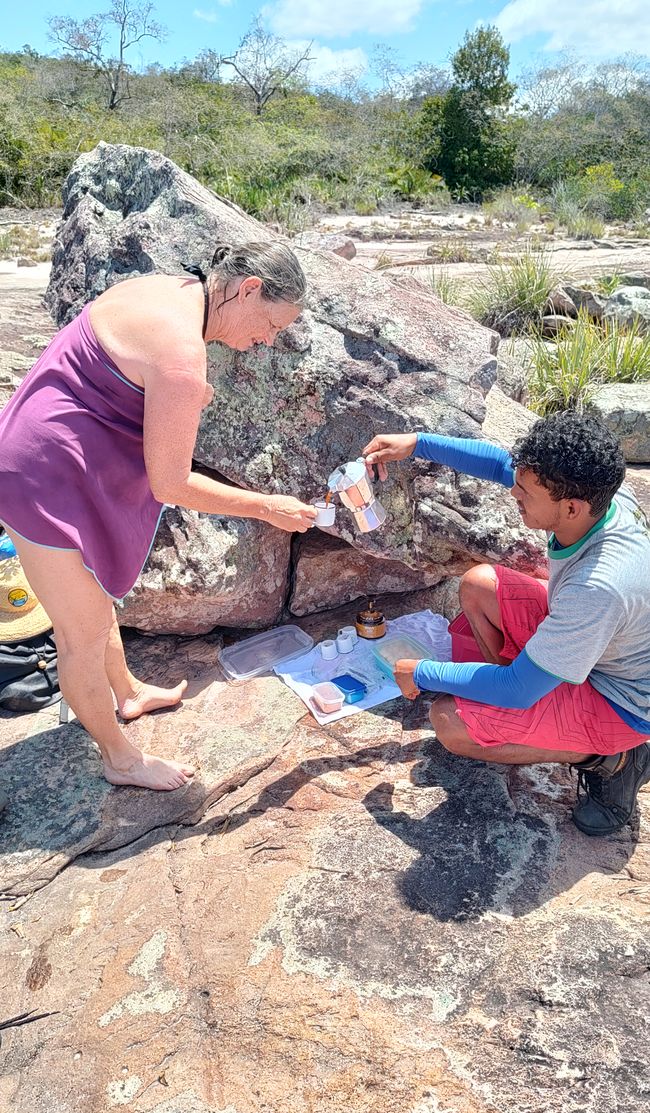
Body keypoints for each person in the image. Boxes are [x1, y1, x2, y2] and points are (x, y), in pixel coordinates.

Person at [0, 241, 316, 791]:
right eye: (270, 324)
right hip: (38, 477)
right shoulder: (182, 356)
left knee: (97, 589)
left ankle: (127, 692)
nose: (267, 341)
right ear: (248, 289)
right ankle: (120, 759)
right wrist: (268, 507)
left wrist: (183, 391)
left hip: (49, 445)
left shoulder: (169, 290)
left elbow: (116, 372)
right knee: (83, 635)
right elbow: (170, 483)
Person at [363, 411, 650, 837]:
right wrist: (417, 441)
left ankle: (614, 760)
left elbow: (518, 690)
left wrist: (421, 671)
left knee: (450, 722)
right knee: (479, 584)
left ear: (571, 507)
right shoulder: (602, 497)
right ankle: (535, 694)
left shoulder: (598, 587)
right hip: (594, 648)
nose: (513, 490)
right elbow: (500, 464)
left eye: (525, 490)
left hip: (622, 701)